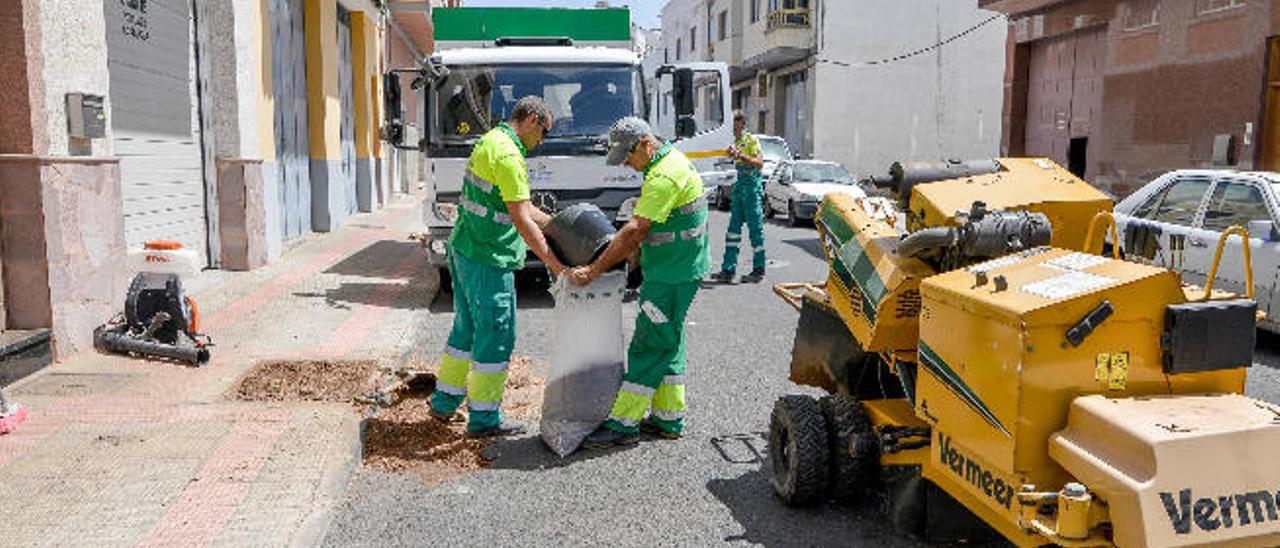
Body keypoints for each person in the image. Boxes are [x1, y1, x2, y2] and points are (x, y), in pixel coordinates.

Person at [567, 117, 711, 449]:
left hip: (671, 274)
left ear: (646, 144)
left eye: (629, 157)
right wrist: (637, 258)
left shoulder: (662, 176)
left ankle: (623, 423)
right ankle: (669, 418)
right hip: (679, 267)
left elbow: (635, 230)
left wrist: (594, 271)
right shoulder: (669, 161)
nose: (628, 165)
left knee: (649, 344)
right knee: (669, 340)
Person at [429, 96, 569, 437]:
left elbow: (515, 205)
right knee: (496, 334)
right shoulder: (509, 155)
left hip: (464, 248)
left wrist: (558, 224)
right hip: (488, 257)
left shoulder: (492, 141)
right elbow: (521, 219)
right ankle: (484, 419)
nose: (542, 142)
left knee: (466, 329)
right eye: (544, 132)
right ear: (533, 119)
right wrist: (554, 263)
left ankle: (444, 403)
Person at [709, 110, 767, 284]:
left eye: (734, 123)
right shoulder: (731, 140)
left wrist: (740, 155)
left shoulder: (751, 140)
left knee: (755, 229)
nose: (732, 128)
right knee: (733, 231)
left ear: (742, 123)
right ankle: (728, 269)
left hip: (751, 187)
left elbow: (759, 162)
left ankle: (759, 269)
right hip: (738, 186)